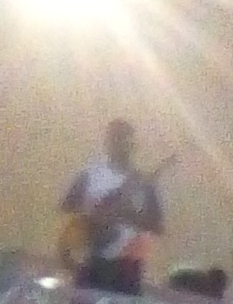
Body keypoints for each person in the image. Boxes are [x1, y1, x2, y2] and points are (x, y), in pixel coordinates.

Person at [60, 119, 164, 293]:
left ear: (133, 145)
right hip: (91, 258)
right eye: (116, 139)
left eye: (125, 140)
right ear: (108, 142)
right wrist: (95, 216)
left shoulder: (144, 183)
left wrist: (130, 216)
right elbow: (67, 208)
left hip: (127, 265)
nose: (121, 145)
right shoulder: (90, 175)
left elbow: (157, 226)